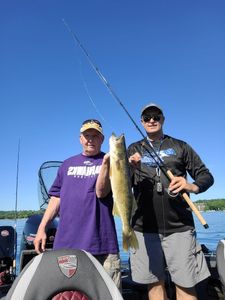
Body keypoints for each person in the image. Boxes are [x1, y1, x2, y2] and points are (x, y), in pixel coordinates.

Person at [127, 103, 214, 300]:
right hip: (143, 228)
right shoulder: (133, 149)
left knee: (186, 284)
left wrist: (190, 185)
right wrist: (131, 168)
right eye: (147, 117)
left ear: (163, 119)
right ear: (141, 122)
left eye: (156, 116)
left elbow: (206, 176)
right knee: (154, 284)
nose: (151, 120)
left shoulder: (180, 146)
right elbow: (122, 183)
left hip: (180, 227)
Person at [34, 119, 121, 289]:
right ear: (80, 139)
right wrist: (42, 227)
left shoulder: (112, 162)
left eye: (95, 136)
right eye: (87, 135)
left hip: (103, 245)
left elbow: (101, 192)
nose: (90, 139)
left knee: (109, 294)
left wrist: (105, 165)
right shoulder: (67, 164)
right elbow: (55, 198)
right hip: (67, 244)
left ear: (102, 139)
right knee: (69, 294)